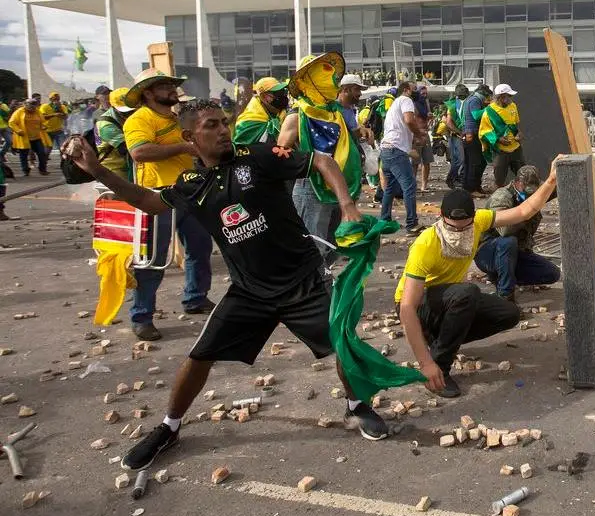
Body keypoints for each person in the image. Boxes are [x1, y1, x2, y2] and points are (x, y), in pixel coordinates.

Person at [62, 100, 394, 471]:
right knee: (199, 356)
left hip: (304, 281)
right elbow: (146, 201)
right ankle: (169, 427)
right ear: (190, 137)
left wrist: (347, 204)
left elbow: (321, 160)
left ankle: (356, 407)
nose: (223, 130)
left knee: (343, 345)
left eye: (224, 122)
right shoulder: (191, 183)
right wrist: (94, 169)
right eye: (211, 125)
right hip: (250, 291)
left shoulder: (260, 155)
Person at [396, 171, 561, 398]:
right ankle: (440, 367)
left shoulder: (480, 221)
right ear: (442, 218)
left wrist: (551, 180)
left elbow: (524, 211)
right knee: (467, 293)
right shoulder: (425, 244)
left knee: (509, 313)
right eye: (453, 227)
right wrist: (425, 363)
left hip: (449, 299)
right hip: (419, 306)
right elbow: (406, 307)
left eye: (465, 227)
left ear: (473, 219)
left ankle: (442, 340)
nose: (460, 233)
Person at [123, 69, 215, 339]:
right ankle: (142, 315)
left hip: (187, 190)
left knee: (199, 246)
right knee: (153, 258)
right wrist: (184, 149)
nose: (172, 90)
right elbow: (139, 152)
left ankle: (195, 297)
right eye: (164, 86)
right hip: (156, 195)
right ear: (148, 93)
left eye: (172, 85)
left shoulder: (175, 118)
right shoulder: (140, 119)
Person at [279, 53, 364, 267]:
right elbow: (280, 154)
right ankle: (311, 288)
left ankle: (321, 278)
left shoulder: (333, 112)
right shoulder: (297, 115)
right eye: (324, 75)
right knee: (311, 244)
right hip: (311, 186)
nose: (332, 80)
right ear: (309, 81)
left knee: (334, 243)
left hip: (337, 186)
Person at [474, 165, 560, 303]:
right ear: (517, 183)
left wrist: (557, 175)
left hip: (515, 252)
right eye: (527, 191)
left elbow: (552, 189)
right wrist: (527, 211)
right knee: (509, 241)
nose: (531, 195)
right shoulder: (502, 197)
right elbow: (505, 230)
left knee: (552, 273)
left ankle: (505, 277)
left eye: (534, 192)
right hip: (489, 251)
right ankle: (505, 296)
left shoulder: (531, 193)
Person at [378, 81, 427, 232]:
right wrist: (419, 134)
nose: (417, 91)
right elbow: (409, 120)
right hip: (395, 150)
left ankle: (384, 220)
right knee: (409, 186)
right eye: (414, 89)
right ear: (406, 90)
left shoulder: (394, 104)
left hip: (386, 149)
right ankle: (412, 224)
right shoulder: (406, 100)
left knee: (390, 188)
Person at [478, 83, 525, 189]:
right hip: (501, 151)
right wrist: (499, 139)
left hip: (516, 148)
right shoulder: (489, 111)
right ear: (501, 97)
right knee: (499, 179)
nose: (511, 98)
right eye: (509, 96)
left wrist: (518, 133)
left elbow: (515, 124)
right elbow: (484, 132)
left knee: (523, 175)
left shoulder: (513, 106)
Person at [232, 77, 291, 147]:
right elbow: (266, 141)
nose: (282, 96)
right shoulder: (249, 118)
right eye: (277, 93)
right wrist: (285, 120)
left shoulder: (277, 111)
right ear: (263, 97)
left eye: (282, 92)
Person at [93, 87, 137, 180]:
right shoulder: (105, 124)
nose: (129, 113)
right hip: (114, 171)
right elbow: (128, 148)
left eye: (131, 110)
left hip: (129, 166)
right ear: (112, 106)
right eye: (125, 111)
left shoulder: (129, 117)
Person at [460, 84, 490, 195]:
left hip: (470, 134)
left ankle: (472, 187)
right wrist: (489, 108)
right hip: (472, 134)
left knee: (473, 162)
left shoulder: (472, 99)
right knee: (476, 162)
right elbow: (476, 115)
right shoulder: (475, 100)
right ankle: (472, 188)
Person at [9, 98, 50, 176]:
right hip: (24, 137)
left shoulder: (37, 111)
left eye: (34, 106)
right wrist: (18, 130)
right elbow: (12, 123)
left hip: (36, 137)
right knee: (23, 155)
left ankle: (42, 169)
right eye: (31, 106)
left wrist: (44, 126)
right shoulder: (19, 112)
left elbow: (43, 121)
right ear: (26, 105)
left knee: (42, 153)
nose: (33, 108)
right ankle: (25, 170)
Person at [443, 84, 469, 189]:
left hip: (461, 134)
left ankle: (458, 179)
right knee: (459, 160)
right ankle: (451, 179)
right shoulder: (453, 105)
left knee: (462, 159)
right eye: (462, 95)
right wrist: (459, 132)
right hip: (456, 136)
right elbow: (448, 122)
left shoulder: (464, 103)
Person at [412, 84, 434, 193]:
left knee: (427, 160)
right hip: (417, 135)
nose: (425, 95)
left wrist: (430, 116)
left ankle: (424, 185)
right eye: (423, 93)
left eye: (426, 93)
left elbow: (429, 117)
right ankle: (413, 184)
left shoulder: (426, 103)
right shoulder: (414, 104)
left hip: (426, 133)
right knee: (415, 162)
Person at [0, 97, 12, 165]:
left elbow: (8, 114)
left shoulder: (3, 105)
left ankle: (1, 154)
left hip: (4, 126)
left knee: (10, 142)